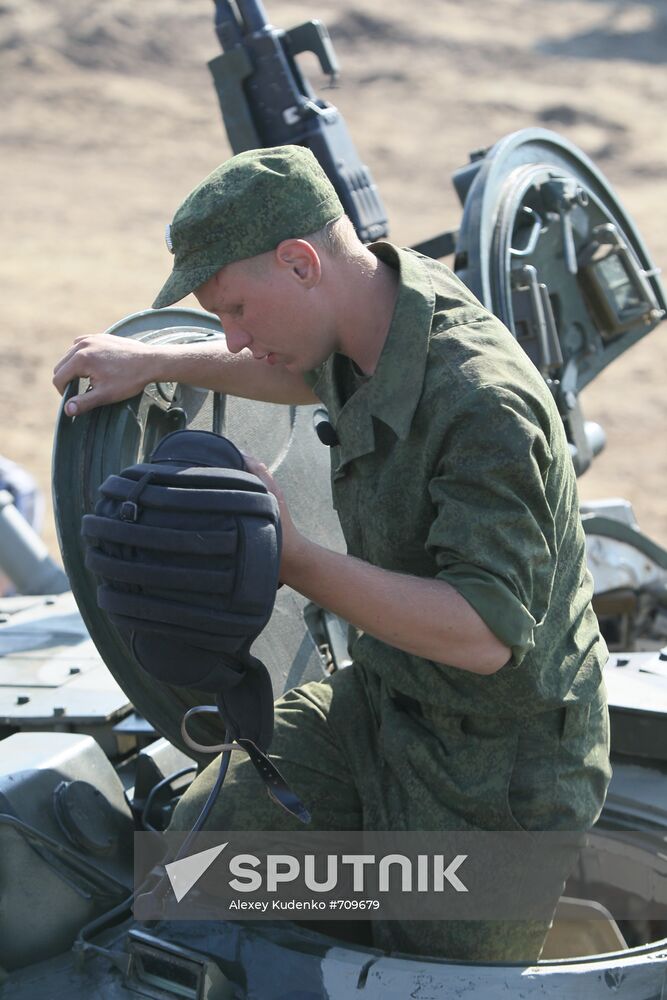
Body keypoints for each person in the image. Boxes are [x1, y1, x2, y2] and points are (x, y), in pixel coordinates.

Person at [53, 145, 611, 961]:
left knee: (426, 976)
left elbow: (483, 634)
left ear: (301, 261)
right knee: (193, 869)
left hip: (501, 770)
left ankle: (553, 928)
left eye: (238, 310)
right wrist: (159, 360)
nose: (235, 340)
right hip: (381, 699)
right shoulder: (377, 309)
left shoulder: (483, 403)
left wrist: (293, 555)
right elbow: (312, 374)